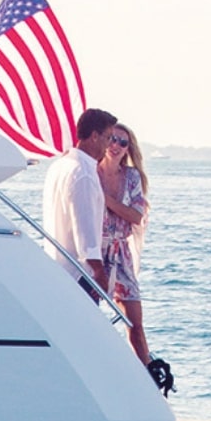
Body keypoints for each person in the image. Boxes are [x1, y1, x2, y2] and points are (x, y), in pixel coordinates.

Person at [100, 120, 173, 391]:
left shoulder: (131, 177)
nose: (117, 146)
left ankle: (147, 381)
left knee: (135, 320)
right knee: (89, 314)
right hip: (94, 251)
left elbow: (135, 215)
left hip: (121, 252)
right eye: (113, 139)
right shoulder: (90, 172)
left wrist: (108, 201)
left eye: (123, 142)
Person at [42, 108, 118, 297]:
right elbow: (84, 228)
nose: (109, 145)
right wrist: (99, 271)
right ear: (94, 136)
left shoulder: (58, 166)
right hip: (79, 273)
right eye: (108, 138)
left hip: (55, 266)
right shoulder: (83, 173)